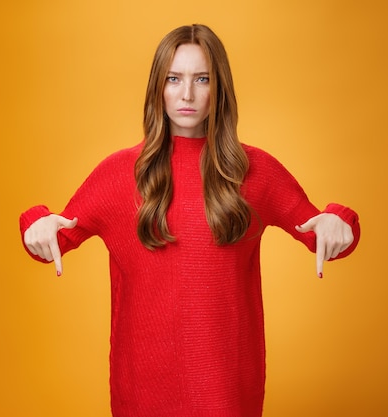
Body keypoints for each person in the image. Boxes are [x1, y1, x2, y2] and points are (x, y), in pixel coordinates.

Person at [20, 24, 360, 417]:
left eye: (202, 79)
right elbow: (53, 240)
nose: (186, 94)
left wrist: (338, 220)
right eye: (173, 79)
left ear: (220, 89)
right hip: (141, 395)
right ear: (157, 88)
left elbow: (323, 232)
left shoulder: (255, 171)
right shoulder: (118, 174)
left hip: (227, 396)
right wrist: (38, 222)